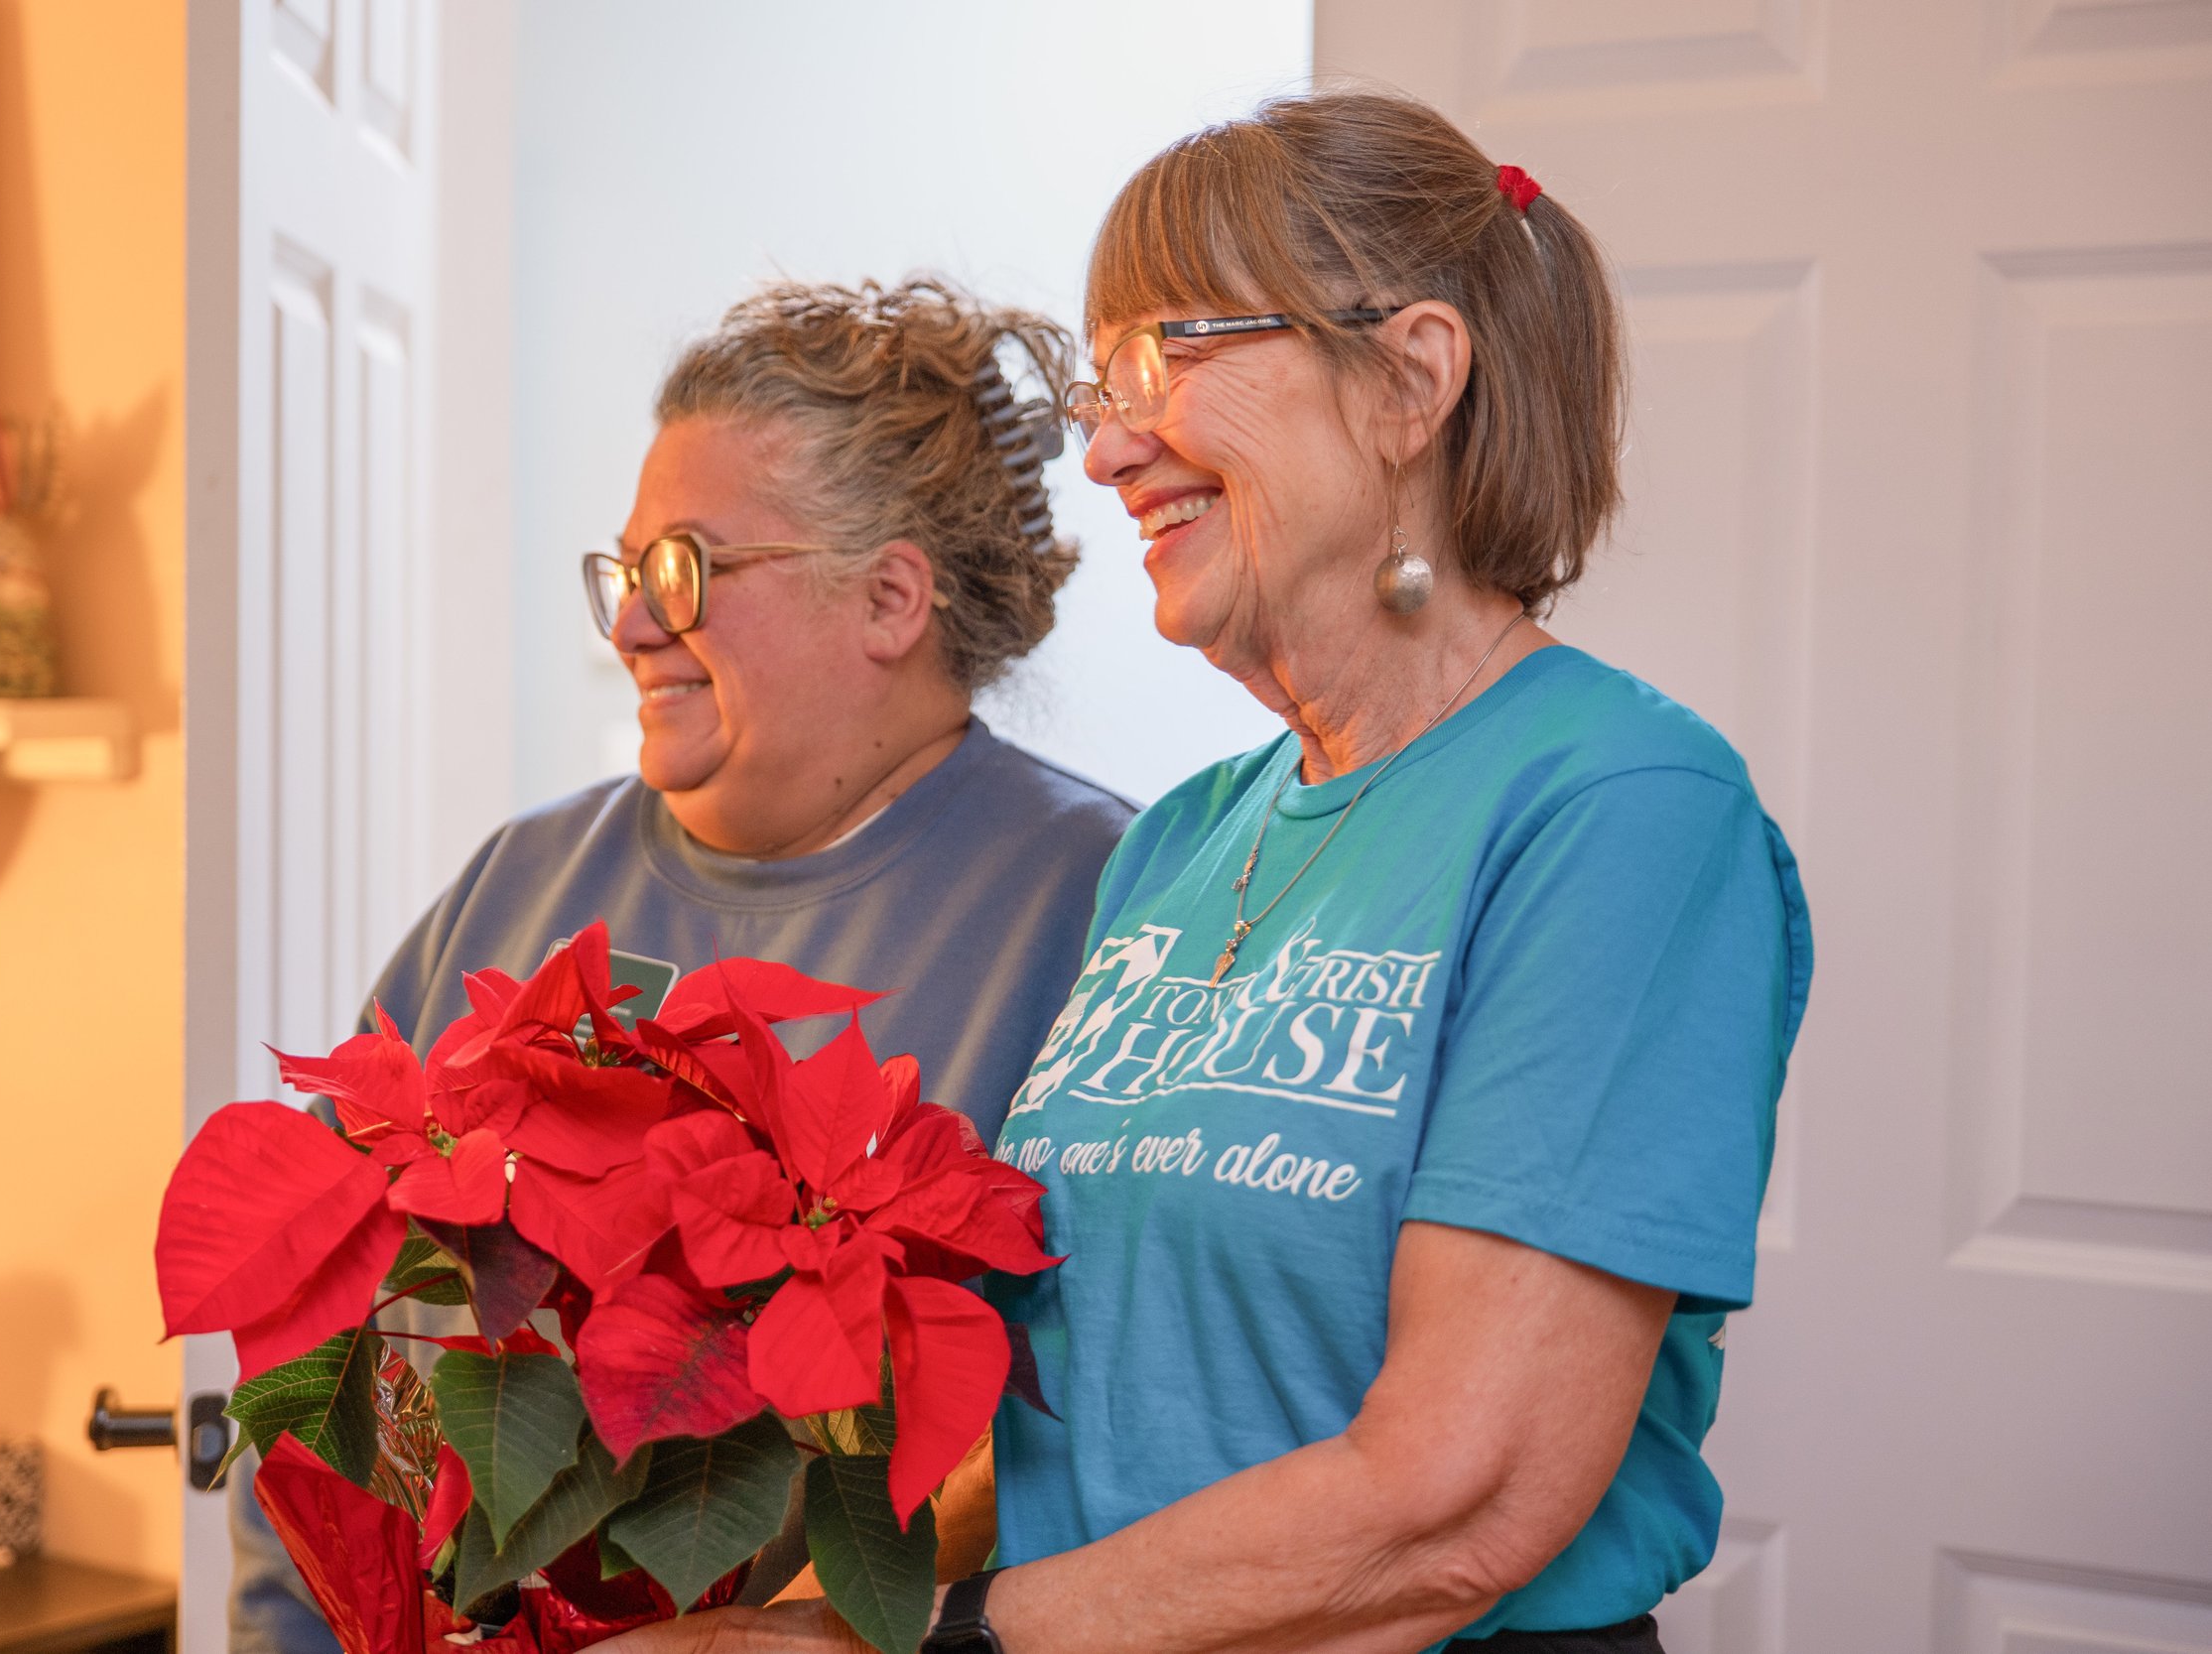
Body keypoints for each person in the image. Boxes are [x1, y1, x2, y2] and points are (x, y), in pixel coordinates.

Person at [614, 91, 1812, 1654]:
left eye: (1165, 361)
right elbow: (1073, 1429)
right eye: (1103, 382)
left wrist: (914, 1646)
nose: (1109, 446)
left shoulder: (1623, 810)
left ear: (1412, 379)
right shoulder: (1179, 844)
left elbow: (1458, 1501)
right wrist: (795, 1614)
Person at [228, 277, 1136, 1654]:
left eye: (686, 572)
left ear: (890, 597)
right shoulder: (519, 882)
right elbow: (313, 1344)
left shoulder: (1098, 904)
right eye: (628, 572)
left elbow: (1103, 1438)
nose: (631, 627)